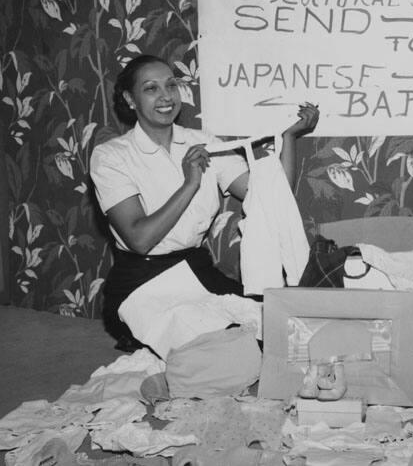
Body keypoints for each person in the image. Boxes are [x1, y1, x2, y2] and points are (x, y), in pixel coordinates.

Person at [90, 54, 319, 351]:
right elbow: (140, 239)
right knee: (216, 345)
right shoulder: (112, 156)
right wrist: (191, 183)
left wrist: (289, 137)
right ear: (129, 99)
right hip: (141, 282)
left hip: (195, 270)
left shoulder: (203, 141)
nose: (165, 97)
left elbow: (274, 196)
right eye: (151, 88)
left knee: (274, 326)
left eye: (171, 85)